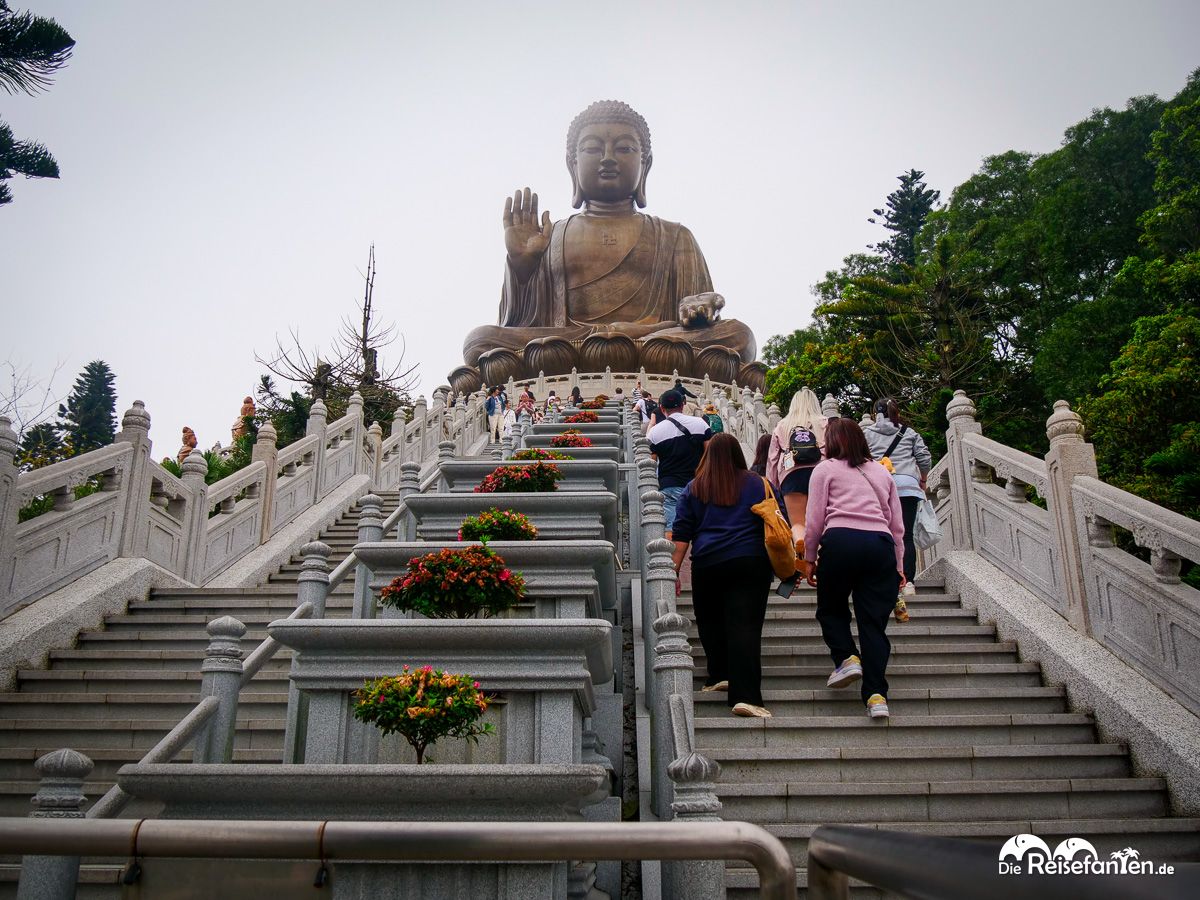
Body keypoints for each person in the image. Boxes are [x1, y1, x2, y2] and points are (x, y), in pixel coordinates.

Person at [803, 418, 906, 720]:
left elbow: (814, 520)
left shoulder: (824, 469)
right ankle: (876, 696)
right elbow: (897, 527)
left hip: (841, 541)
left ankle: (847, 657)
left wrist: (810, 558)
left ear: (831, 442)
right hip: (880, 545)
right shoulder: (882, 472)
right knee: (873, 625)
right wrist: (899, 567)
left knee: (831, 609)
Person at [671, 433, 776, 718]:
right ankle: (745, 696)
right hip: (750, 561)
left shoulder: (695, 487)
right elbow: (779, 521)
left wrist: (674, 571)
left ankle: (719, 675)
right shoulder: (759, 483)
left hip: (708, 562)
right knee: (745, 626)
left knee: (710, 622)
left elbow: (681, 534)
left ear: (707, 456)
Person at [863, 398, 932, 623]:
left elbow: (861, 458)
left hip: (878, 486)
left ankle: (883, 579)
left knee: (882, 534)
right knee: (905, 535)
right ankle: (908, 582)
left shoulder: (867, 433)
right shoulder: (909, 432)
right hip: (907, 486)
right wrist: (922, 479)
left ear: (875, 413)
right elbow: (924, 457)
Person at [766, 387, 826, 594]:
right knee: (821, 521)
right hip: (822, 474)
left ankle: (799, 540)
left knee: (798, 522)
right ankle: (817, 558)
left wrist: (773, 484)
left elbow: (773, 458)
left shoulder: (783, 425)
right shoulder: (825, 422)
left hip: (791, 475)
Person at [647, 389, 712, 537]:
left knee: (672, 529)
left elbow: (651, 464)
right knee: (702, 528)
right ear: (682, 405)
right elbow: (710, 455)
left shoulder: (655, 432)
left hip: (669, 485)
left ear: (662, 408)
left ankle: (671, 560)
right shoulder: (701, 424)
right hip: (698, 484)